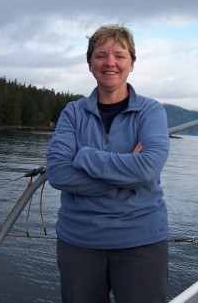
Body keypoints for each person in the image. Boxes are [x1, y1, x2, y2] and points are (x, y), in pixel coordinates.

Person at [46, 24, 170, 303]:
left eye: (119, 55)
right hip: (79, 241)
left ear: (132, 64)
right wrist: (125, 176)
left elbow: (148, 167)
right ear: (90, 64)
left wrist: (83, 155)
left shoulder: (151, 112)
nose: (110, 62)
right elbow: (57, 172)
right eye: (101, 55)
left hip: (141, 239)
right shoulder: (73, 112)